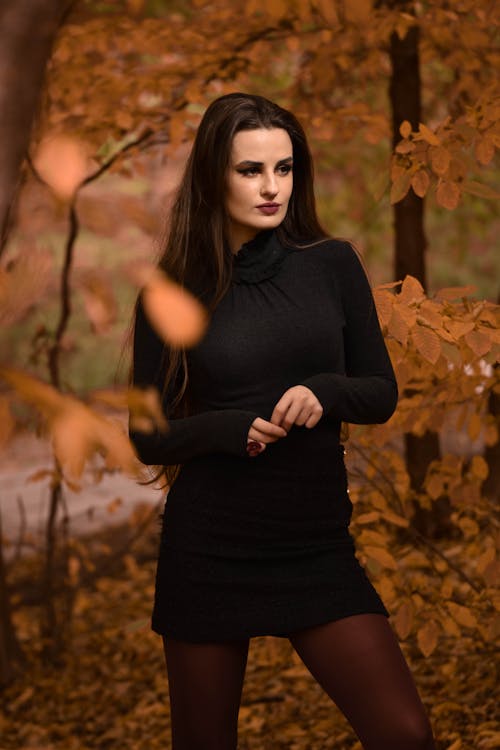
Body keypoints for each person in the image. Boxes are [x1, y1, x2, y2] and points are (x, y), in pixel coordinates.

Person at [129, 92, 436, 750]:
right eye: (250, 171)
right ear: (214, 174)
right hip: (209, 550)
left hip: (315, 549)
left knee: (404, 733)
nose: (272, 188)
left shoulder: (332, 265)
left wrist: (326, 390)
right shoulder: (171, 290)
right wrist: (225, 429)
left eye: (284, 168)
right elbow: (145, 436)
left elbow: (380, 393)